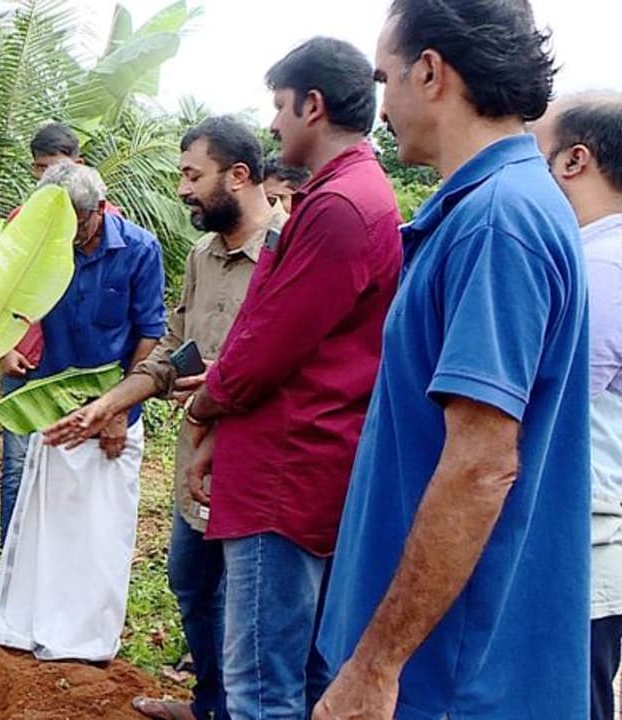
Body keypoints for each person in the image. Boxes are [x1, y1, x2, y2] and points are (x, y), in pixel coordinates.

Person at [314, 3, 588, 719]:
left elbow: (480, 466)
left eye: (384, 77)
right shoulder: (494, 207)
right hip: (447, 663)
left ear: (430, 71)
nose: (381, 105)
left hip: (447, 678)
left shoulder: (499, 222)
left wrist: (377, 666)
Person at [181, 38, 402, 719]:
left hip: (285, 469)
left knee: (261, 690)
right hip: (290, 459)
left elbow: (271, 341)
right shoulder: (341, 197)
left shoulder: (339, 208)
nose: (274, 123)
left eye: (280, 105)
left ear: (313, 105)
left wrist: (204, 408)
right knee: (296, 676)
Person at [46, 115, 285, 720]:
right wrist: (110, 404)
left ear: (238, 175)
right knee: (192, 585)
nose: (181, 189)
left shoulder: (292, 251)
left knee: (247, 610)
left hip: (262, 463)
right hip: (195, 455)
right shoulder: (203, 255)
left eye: (191, 175)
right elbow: (173, 353)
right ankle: (209, 704)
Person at [0, 163, 166, 662]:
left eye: (75, 224)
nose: (68, 235)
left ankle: (84, 637)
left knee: (101, 530)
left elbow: (149, 333)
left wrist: (120, 409)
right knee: (48, 526)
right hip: (51, 408)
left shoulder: (140, 250)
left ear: (98, 212)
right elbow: (0, 300)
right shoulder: (40, 247)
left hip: (113, 412)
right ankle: (37, 621)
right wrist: (4, 350)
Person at [531, 92, 622, 720]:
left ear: (574, 160)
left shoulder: (595, 269)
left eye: (534, 152)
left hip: (580, 547)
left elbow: (549, 417)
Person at [0, 123, 123, 546]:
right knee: (18, 463)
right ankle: (11, 556)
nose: (44, 179)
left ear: (78, 165)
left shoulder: (110, 227)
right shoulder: (22, 221)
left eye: (52, 167)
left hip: (80, 370)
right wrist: (4, 348)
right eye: (38, 169)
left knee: (74, 463)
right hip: (26, 360)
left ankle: (60, 556)